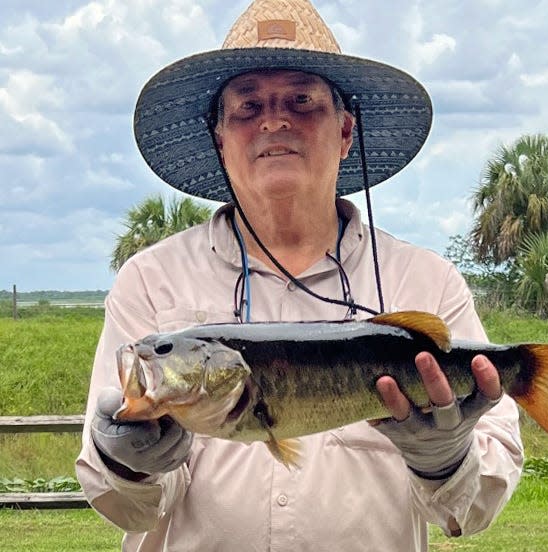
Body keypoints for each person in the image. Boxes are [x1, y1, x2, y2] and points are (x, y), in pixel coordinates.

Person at [76, 0, 523, 550]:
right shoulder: (150, 280)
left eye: (301, 100)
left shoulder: (427, 281)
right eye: (248, 106)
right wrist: (128, 462)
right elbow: (126, 507)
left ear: (345, 132)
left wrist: (446, 459)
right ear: (221, 139)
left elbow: (476, 504)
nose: (274, 119)